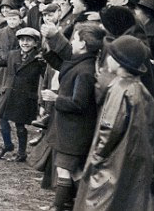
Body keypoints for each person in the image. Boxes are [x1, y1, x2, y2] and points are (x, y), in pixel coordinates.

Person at [74, 35, 154, 211]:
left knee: (99, 201)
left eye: (110, 55)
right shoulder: (139, 88)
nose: (107, 59)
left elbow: (109, 128)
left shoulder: (119, 88)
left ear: (119, 62)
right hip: (132, 158)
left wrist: (97, 157)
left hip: (113, 161)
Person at [40, 22, 105, 210]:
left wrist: (56, 97)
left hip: (73, 130)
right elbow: (64, 65)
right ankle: (77, 204)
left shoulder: (85, 71)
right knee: (75, 171)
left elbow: (79, 103)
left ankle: (59, 206)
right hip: (71, 128)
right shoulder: (83, 62)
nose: (72, 42)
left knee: (64, 170)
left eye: (74, 38)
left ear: (83, 43)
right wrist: (48, 50)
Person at [0, 27, 46, 162]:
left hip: (25, 97)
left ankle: (21, 153)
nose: (25, 43)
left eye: (29, 40)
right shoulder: (12, 54)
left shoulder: (39, 58)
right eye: (22, 40)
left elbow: (46, 76)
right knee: (2, 119)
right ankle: (7, 145)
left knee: (20, 126)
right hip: (9, 94)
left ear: (36, 43)